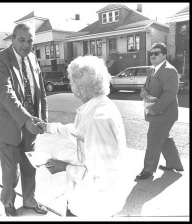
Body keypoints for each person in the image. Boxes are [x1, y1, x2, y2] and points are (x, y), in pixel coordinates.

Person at [36, 55, 127, 217]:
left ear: (78, 87)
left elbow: (102, 179)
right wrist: (49, 127)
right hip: (87, 200)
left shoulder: (97, 119)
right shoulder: (99, 106)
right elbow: (79, 132)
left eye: (71, 80)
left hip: (91, 206)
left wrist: (64, 167)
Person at [0, 23, 48, 216]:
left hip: (31, 124)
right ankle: (8, 201)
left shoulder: (32, 58)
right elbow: (5, 93)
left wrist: (43, 119)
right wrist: (26, 119)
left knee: (30, 166)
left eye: (30, 41)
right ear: (12, 39)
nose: (26, 44)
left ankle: (29, 200)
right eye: (22, 40)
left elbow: (40, 90)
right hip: (7, 124)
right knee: (11, 171)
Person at [136, 42, 184, 180]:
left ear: (164, 55)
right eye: (151, 53)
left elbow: (169, 94)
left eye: (156, 53)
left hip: (164, 114)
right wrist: (144, 92)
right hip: (156, 112)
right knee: (163, 139)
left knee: (153, 140)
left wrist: (154, 110)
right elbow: (146, 87)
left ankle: (148, 170)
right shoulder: (152, 69)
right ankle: (175, 164)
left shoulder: (170, 70)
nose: (153, 56)